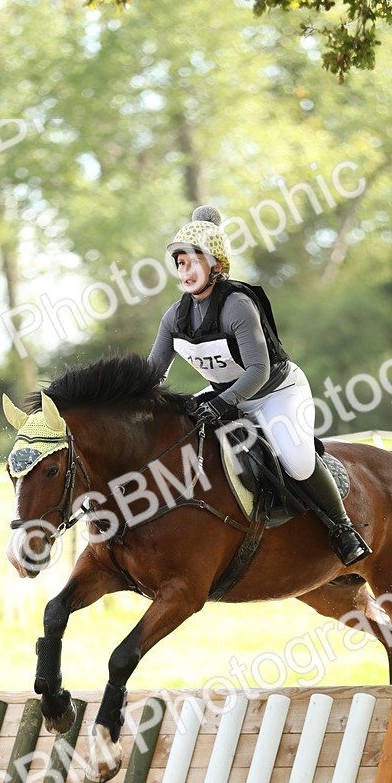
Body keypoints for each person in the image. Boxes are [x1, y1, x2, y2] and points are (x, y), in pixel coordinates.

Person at [147, 205, 372, 567]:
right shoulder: (175, 316)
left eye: (192, 262)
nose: (184, 271)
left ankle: (343, 528)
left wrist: (222, 403)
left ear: (216, 266)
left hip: (275, 393)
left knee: (297, 463)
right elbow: (152, 373)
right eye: (180, 263)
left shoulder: (236, 304)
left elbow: (258, 369)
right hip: (226, 396)